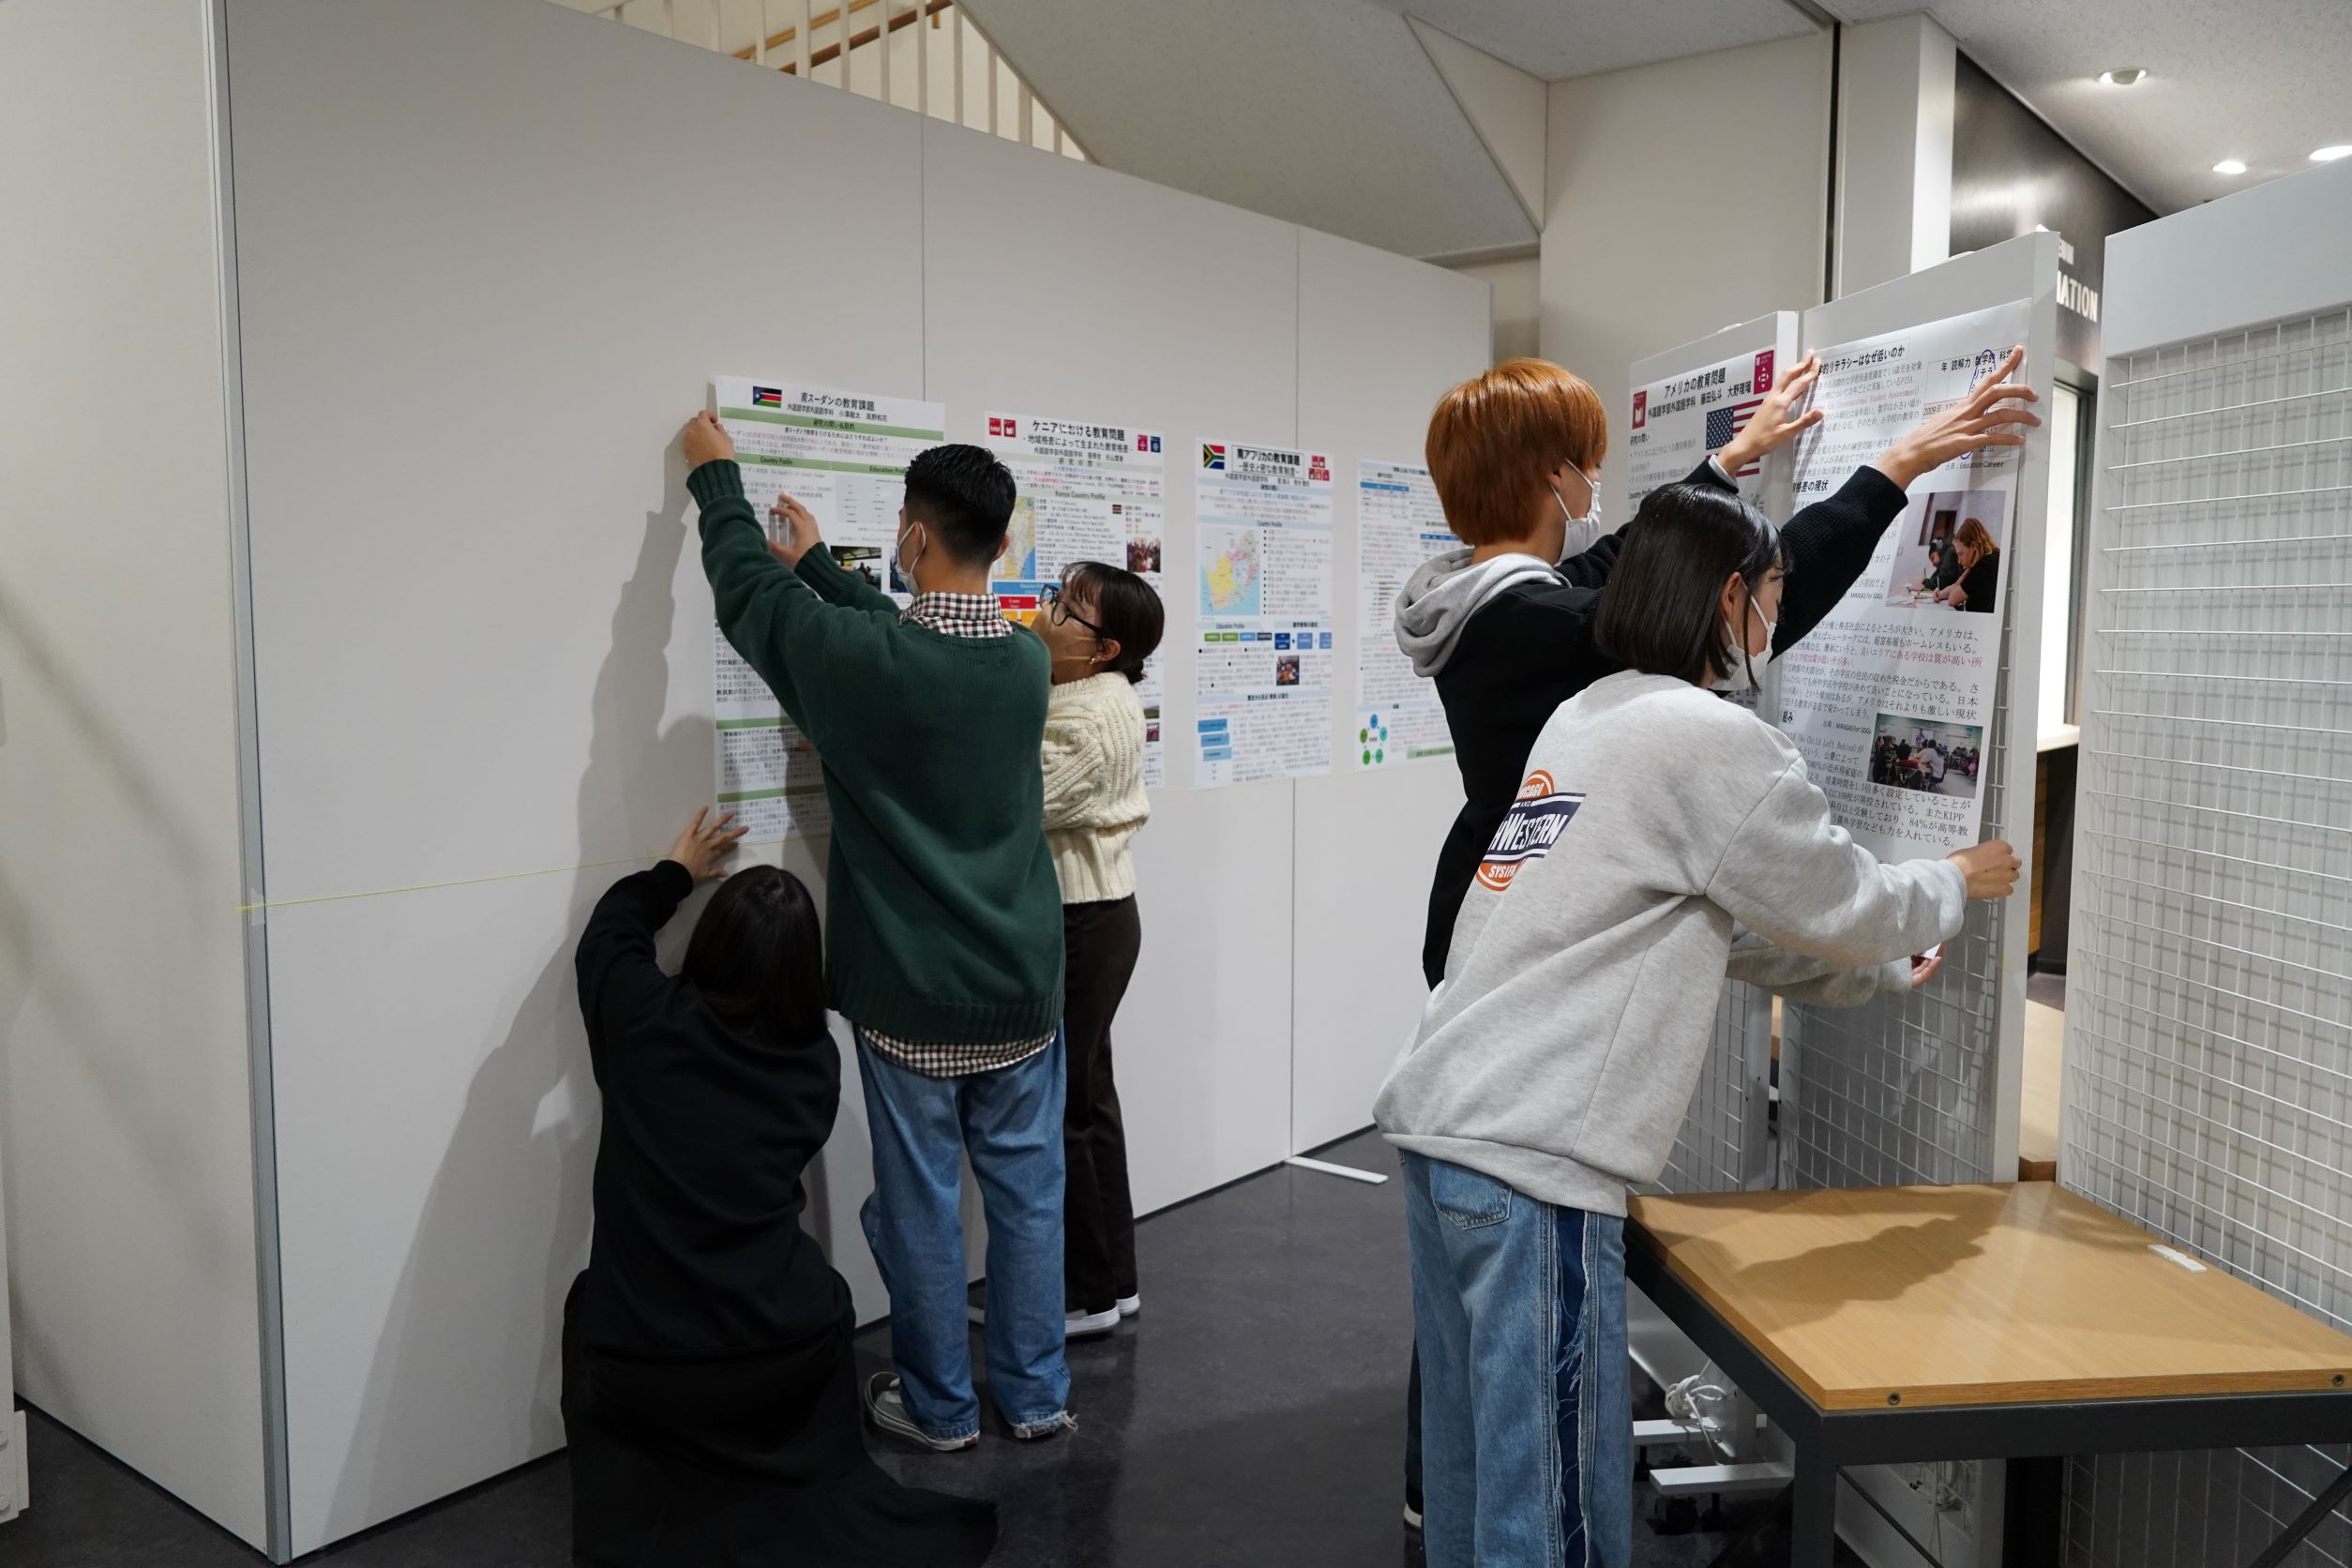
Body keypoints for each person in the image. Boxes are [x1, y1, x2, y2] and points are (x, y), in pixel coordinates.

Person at [1389, 347, 2039, 1527]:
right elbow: (1842, 898)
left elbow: (1713, 925)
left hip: (1448, 1120)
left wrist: (1729, 464)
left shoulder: (1576, 701)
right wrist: (1951, 881)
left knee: (1481, 1493)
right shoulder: (1691, 727)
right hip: (1534, 1156)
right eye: (1774, 596)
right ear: (1731, 598)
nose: (1780, 620)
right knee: (1551, 1520)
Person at [679, 412, 1073, 1453]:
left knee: (920, 1210)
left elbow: (748, 596)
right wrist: (821, 567)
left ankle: (940, 1410)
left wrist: (717, 482)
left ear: (913, 535)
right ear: (1002, 541)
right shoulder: (1025, 662)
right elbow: (916, 642)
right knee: (1029, 1203)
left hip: (911, 990)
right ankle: (1037, 1395)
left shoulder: (865, 661)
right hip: (1022, 984)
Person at [565, 809, 996, 1567]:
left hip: (647, 1360)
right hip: (779, 1347)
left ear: (710, 944)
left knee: (586, 1304)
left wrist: (674, 874)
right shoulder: (812, 1068)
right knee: (828, 1298)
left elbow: (608, 934)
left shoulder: (639, 1019)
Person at [1031, 560, 1167, 1337]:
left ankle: (1084, 1298)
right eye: (1058, 597)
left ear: (1104, 648)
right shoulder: (1079, 695)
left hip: (1083, 920)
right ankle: (1115, 1280)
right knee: (1089, 1101)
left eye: (1067, 609)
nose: (1048, 613)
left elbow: (1021, 800)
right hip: (1095, 916)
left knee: (1064, 1111)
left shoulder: (1093, 713)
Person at [1936, 516, 2003, 612]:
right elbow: (1956, 586)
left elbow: (1953, 599)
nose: (1959, 561)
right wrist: (1939, 594)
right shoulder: (1992, 557)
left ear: (1973, 546)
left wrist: (1967, 572)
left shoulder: (1985, 566)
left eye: (1961, 554)